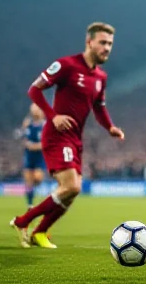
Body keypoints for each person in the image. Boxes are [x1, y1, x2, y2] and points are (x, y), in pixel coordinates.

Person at [10, 22, 125, 249]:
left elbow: (99, 107)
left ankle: (39, 233)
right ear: (89, 42)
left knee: (73, 192)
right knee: (70, 187)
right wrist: (52, 116)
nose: (107, 48)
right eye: (103, 42)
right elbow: (34, 89)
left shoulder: (101, 77)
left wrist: (110, 127)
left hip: (75, 138)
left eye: (110, 44)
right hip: (57, 135)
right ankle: (23, 221)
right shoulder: (66, 65)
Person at [21, 103, 47, 207]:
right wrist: (23, 128)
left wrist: (35, 146)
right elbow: (23, 138)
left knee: (38, 178)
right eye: (33, 109)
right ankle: (30, 204)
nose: (35, 111)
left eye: (37, 109)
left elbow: (46, 143)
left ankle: (36, 187)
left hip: (40, 156)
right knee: (28, 181)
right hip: (29, 155)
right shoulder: (28, 124)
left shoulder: (45, 125)